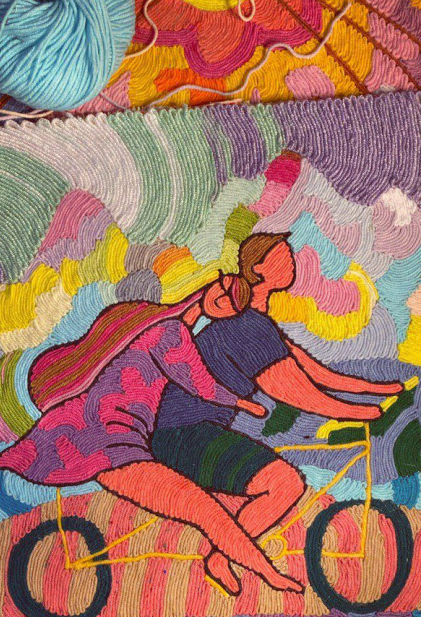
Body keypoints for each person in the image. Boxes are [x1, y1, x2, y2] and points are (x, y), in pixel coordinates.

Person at [0, 278, 302, 594]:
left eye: (234, 303)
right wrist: (242, 403)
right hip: (111, 443)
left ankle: (235, 561)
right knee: (204, 511)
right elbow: (199, 383)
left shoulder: (159, 325)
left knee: (211, 504)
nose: (225, 299)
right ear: (210, 282)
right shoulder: (170, 331)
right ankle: (268, 574)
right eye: (224, 287)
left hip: (115, 440)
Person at [151, 233, 405, 595]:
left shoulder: (257, 322)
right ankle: (220, 557)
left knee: (271, 479)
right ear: (258, 269)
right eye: (281, 256)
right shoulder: (247, 326)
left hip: (192, 431)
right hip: (184, 436)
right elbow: (290, 389)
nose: (291, 261)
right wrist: (357, 413)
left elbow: (316, 373)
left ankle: (224, 551)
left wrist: (377, 390)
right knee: (284, 484)